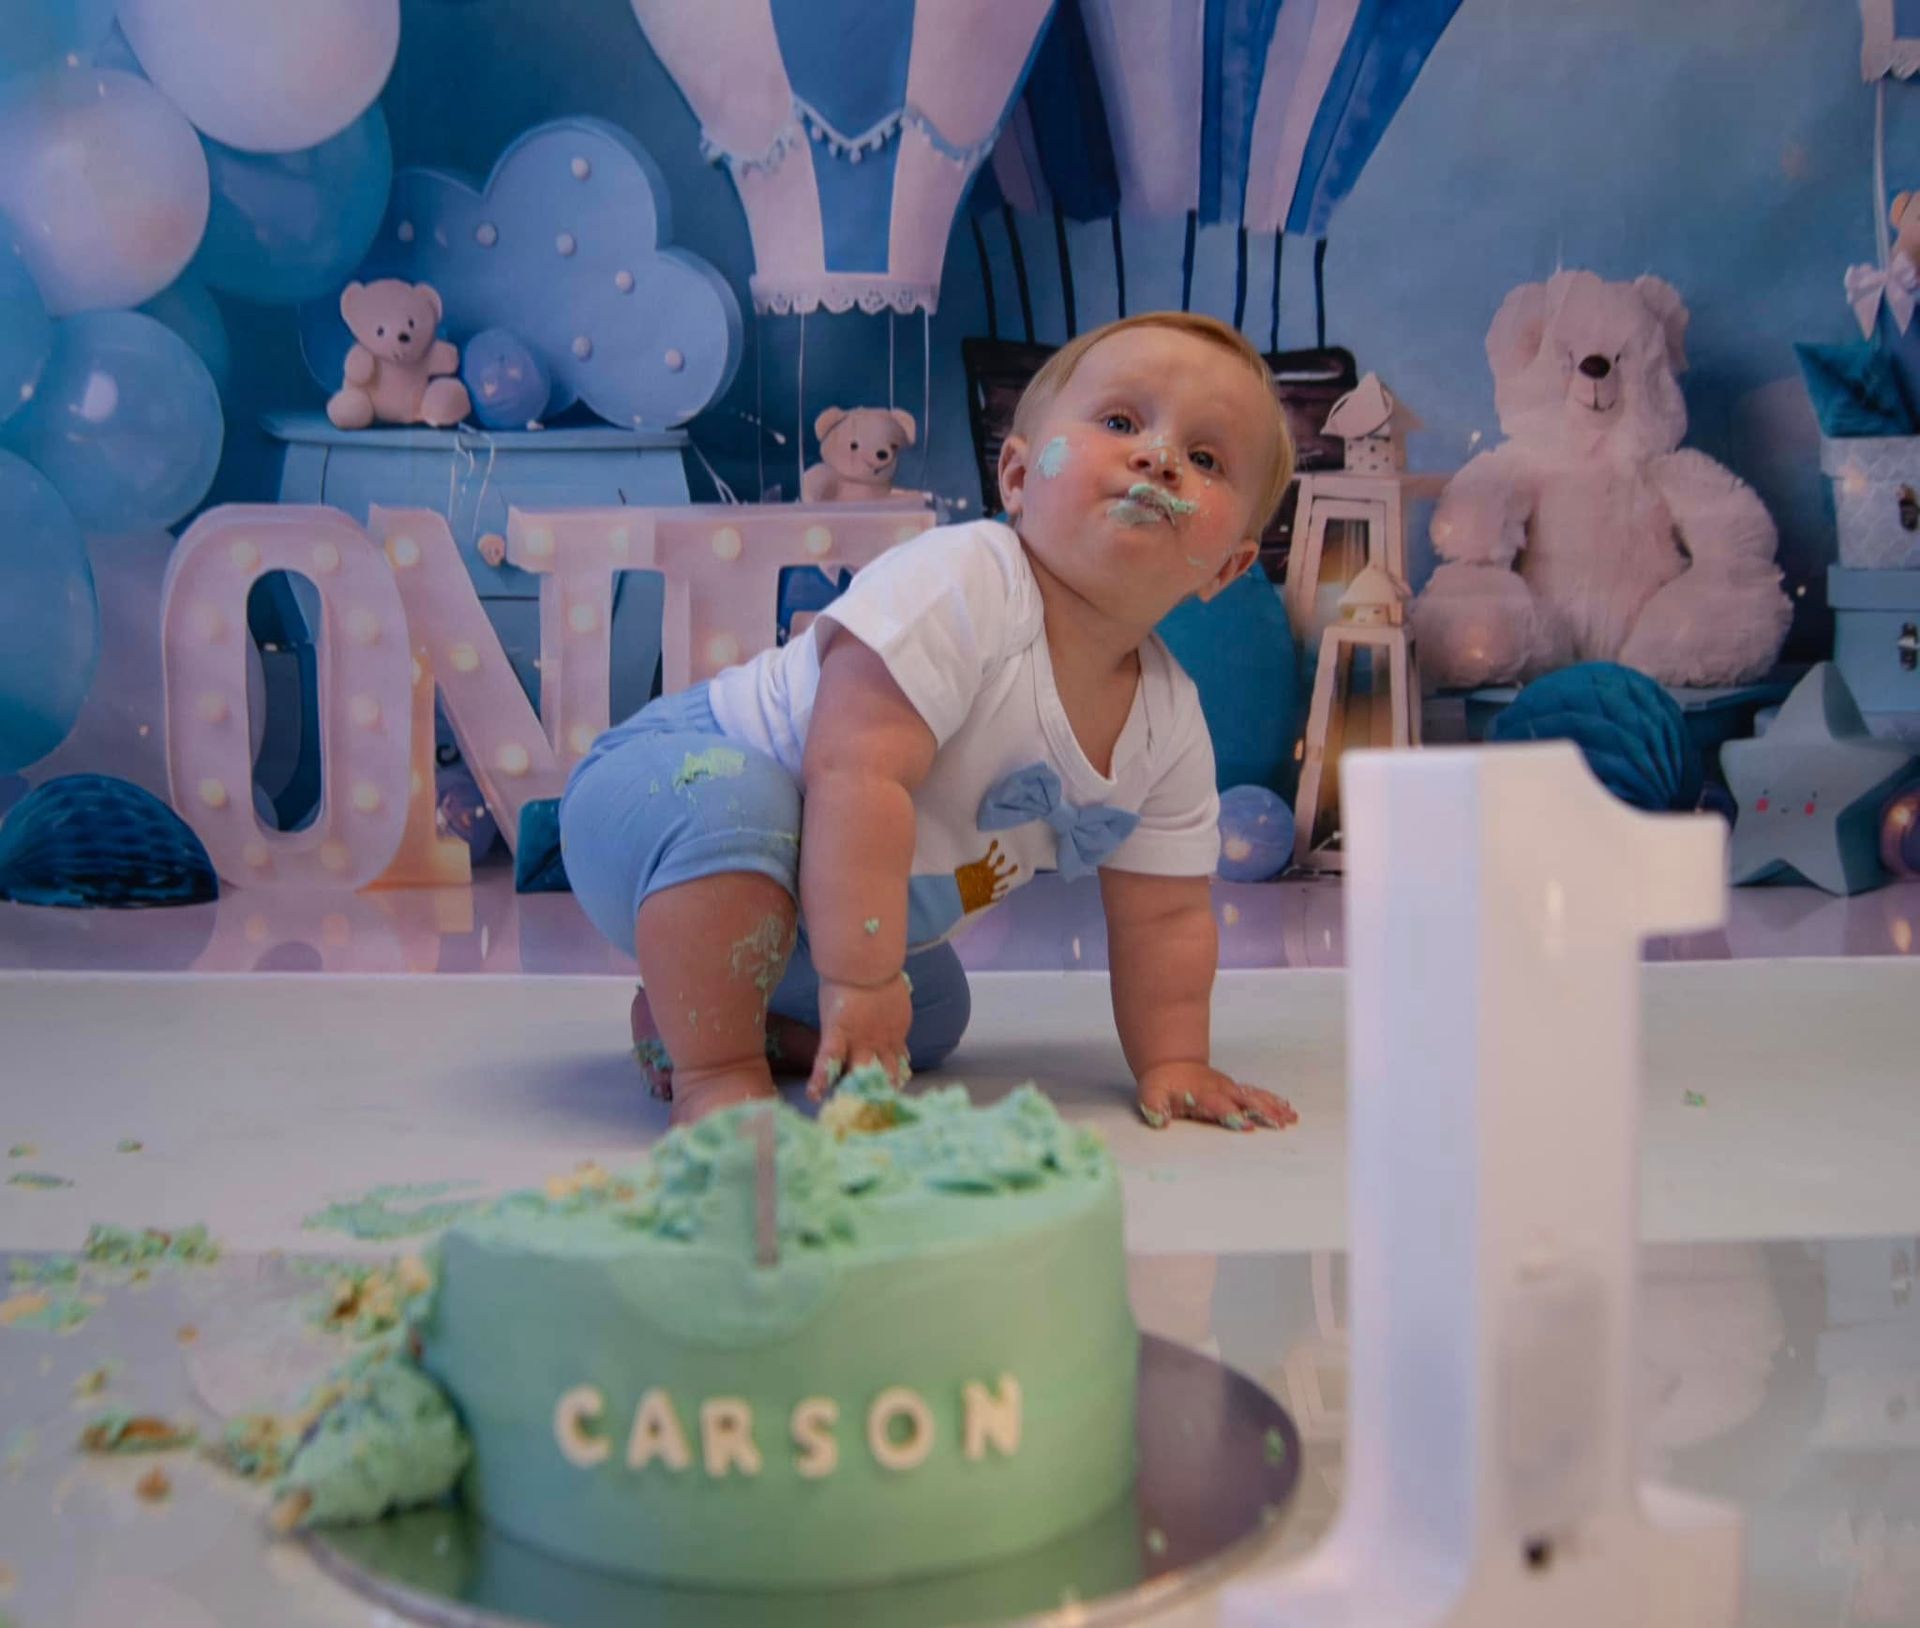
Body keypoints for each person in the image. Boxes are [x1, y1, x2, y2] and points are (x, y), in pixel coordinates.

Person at [560, 312, 1300, 1133]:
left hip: (815, 898)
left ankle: (693, 1010)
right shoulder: (962, 580)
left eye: (1205, 459)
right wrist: (861, 978)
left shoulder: (1169, 724)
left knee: (932, 1013)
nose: (1159, 458)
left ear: (1229, 566)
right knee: (752, 816)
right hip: (664, 797)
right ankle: (716, 1071)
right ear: (1016, 477)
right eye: (1121, 422)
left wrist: (1176, 1060)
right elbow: (855, 772)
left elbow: (1166, 919)